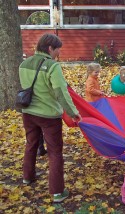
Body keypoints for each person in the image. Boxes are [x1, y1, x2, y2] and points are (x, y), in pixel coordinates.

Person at [19, 33, 81, 203]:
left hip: (28, 113)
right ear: (50, 48)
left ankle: (27, 177)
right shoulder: (52, 66)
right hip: (48, 115)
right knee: (55, 152)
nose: (58, 54)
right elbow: (61, 93)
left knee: (31, 144)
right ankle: (57, 192)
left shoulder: (24, 64)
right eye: (57, 50)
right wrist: (73, 112)